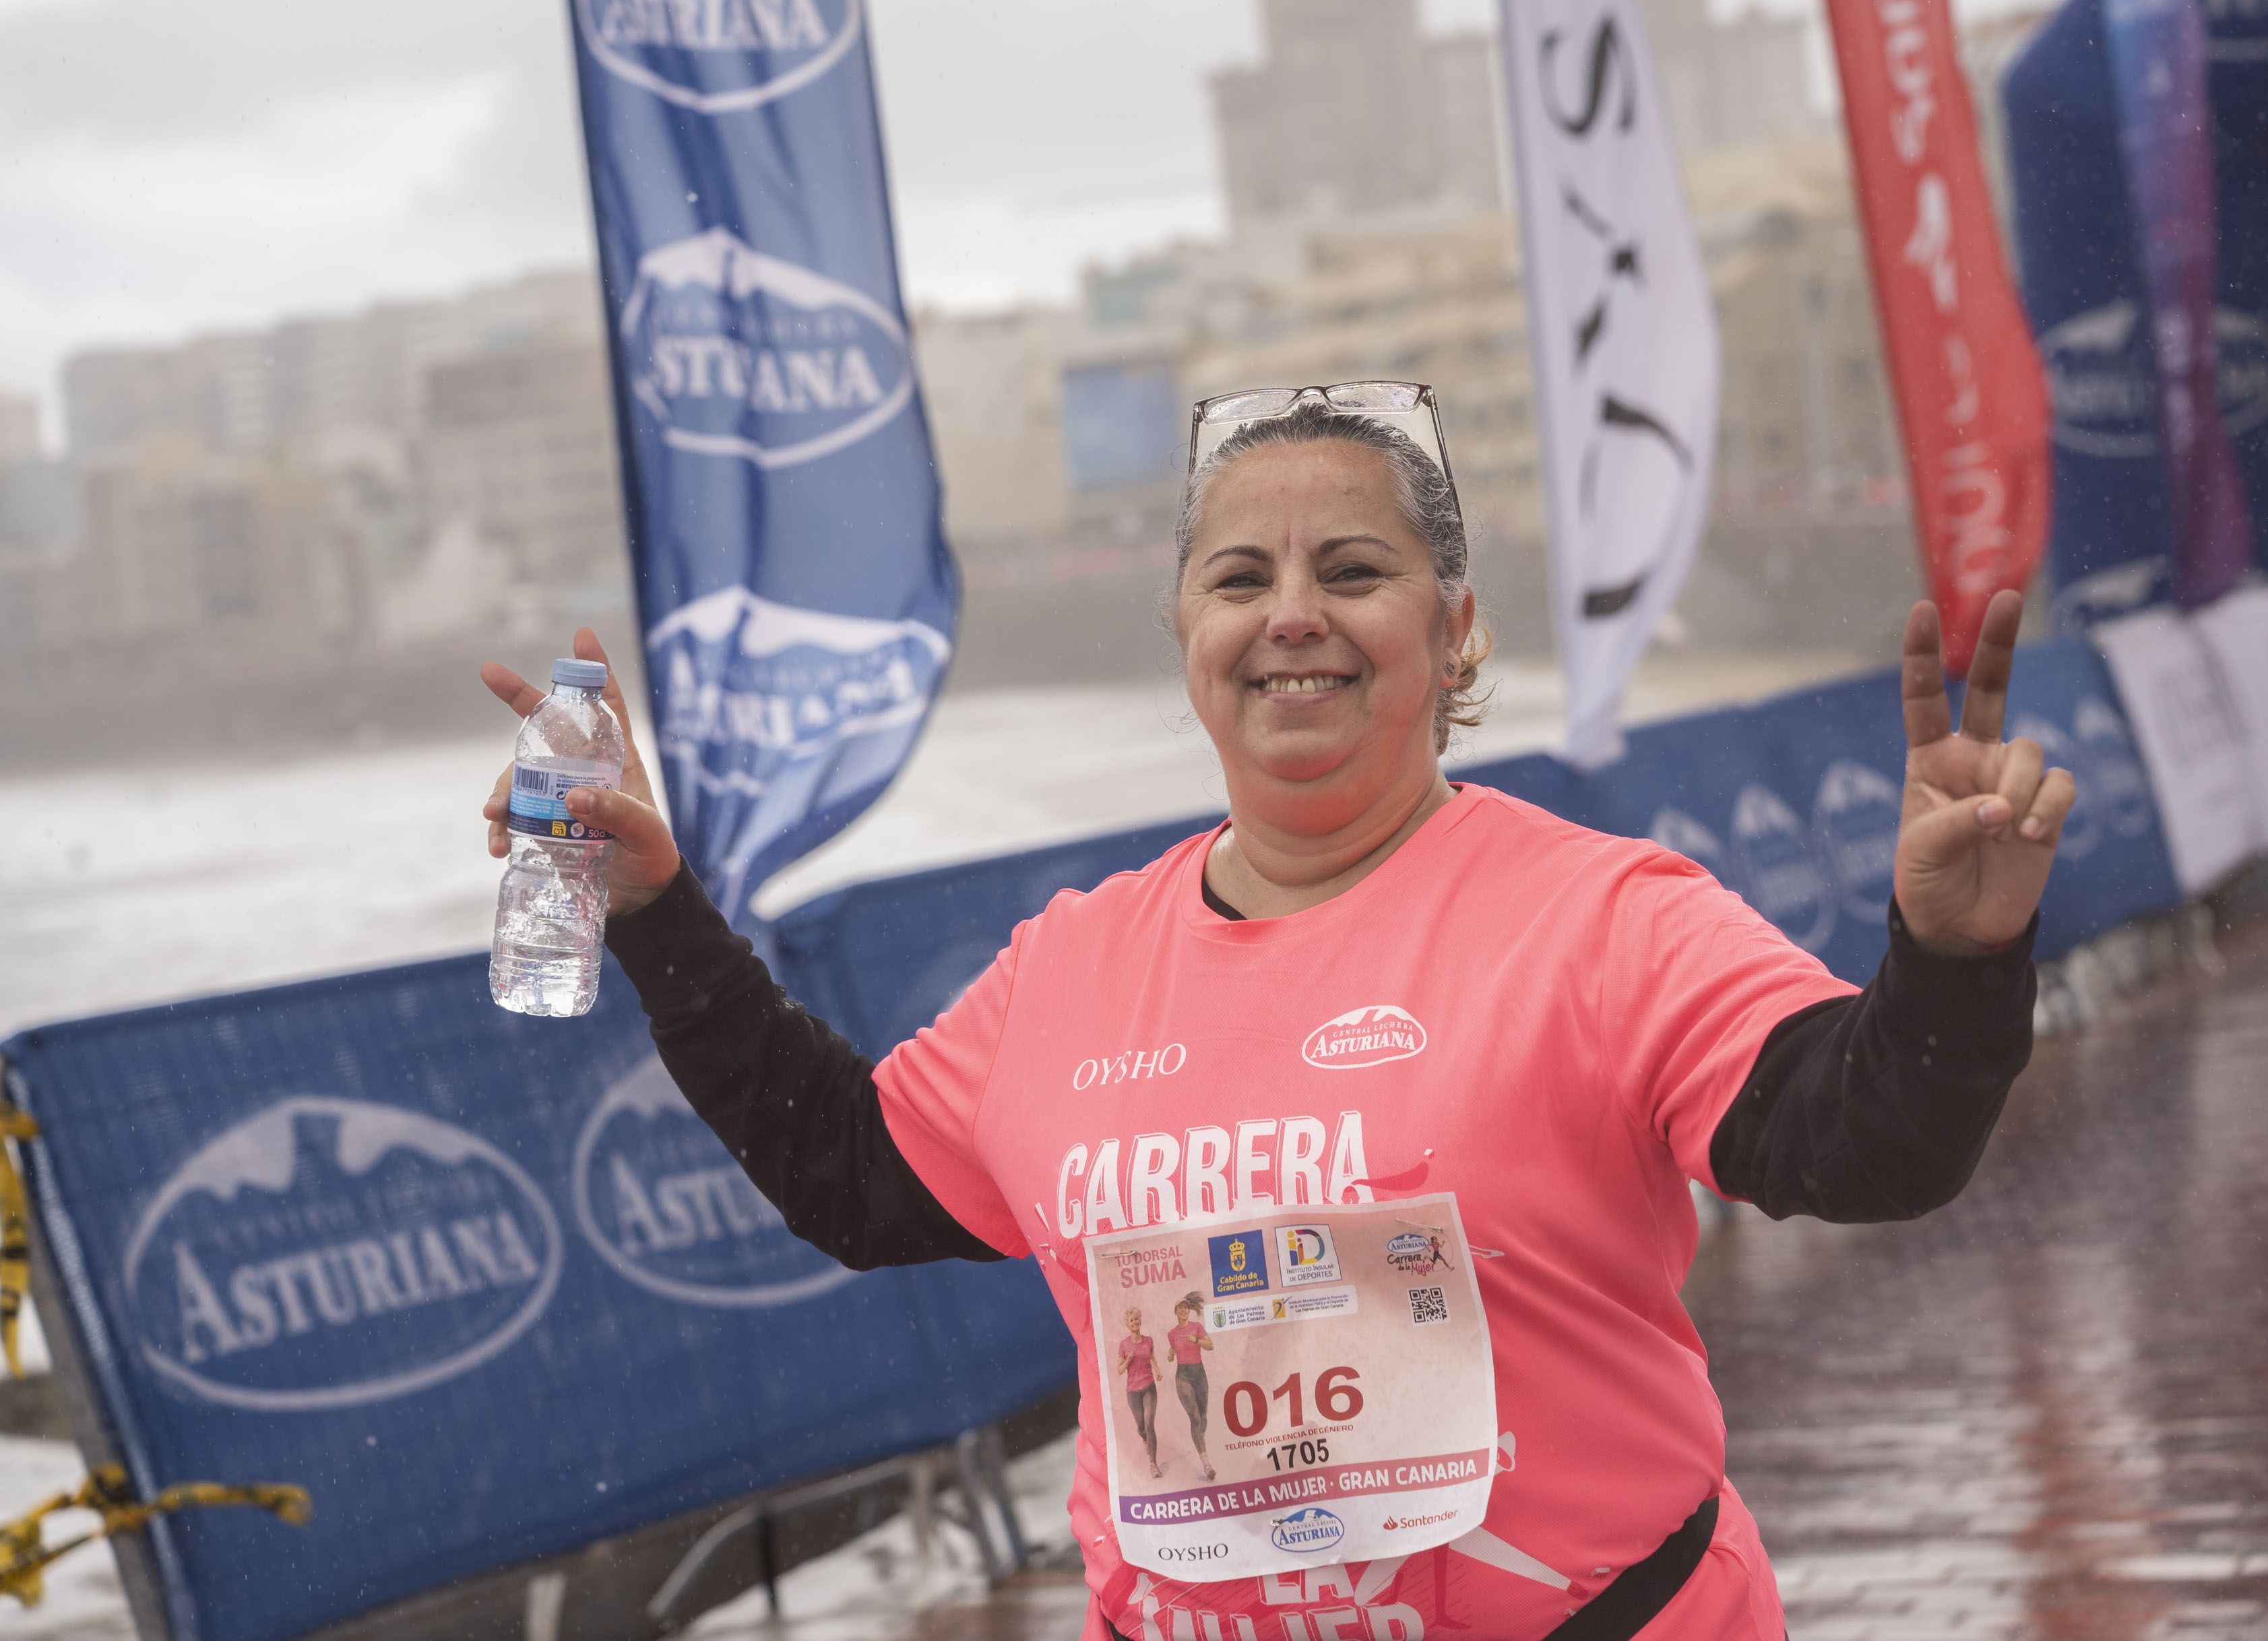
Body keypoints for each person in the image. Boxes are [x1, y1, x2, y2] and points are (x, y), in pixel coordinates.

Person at [480, 383, 2073, 1640]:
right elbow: (849, 1172)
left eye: (1355, 571)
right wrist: (656, 911)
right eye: (1240, 577)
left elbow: (1864, 1145)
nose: (1292, 613)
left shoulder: (1602, 917)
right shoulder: (1074, 965)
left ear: (1452, 635)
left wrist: (1947, 961)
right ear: (1188, 639)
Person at [1164, 1294, 1216, 1484]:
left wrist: (1196, 1341)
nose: (1184, 1310)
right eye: (1180, 1308)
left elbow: (1210, 1345)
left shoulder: (1197, 1328)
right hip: (1183, 1376)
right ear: (1176, 1312)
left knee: (1203, 1418)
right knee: (1194, 1417)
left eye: (1186, 1307)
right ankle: (1207, 1464)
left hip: (1200, 1375)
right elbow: (1172, 1350)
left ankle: (1199, 1440)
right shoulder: (1171, 1334)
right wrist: (1170, 1355)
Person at [1114, 1306, 1162, 1481]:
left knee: (1150, 1424)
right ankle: (1144, 1438)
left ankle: (1153, 1464)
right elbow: (1119, 1370)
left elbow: (1152, 1358)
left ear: (1140, 1320)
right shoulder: (1124, 1345)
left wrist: (1157, 1371)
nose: (1135, 1322)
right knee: (1142, 1427)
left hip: (1149, 1386)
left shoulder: (1148, 1341)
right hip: (1133, 1392)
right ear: (1128, 1324)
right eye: (1132, 1320)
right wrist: (1128, 1360)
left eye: (1137, 1319)